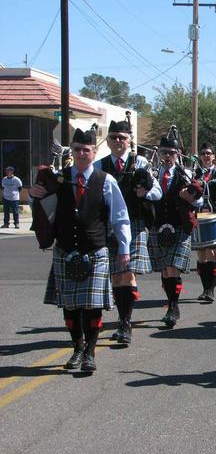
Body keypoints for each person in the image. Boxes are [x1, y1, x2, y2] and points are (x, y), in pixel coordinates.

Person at [31, 128, 131, 372]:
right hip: (65, 249)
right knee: (71, 305)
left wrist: (124, 248)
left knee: (92, 305)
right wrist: (35, 196)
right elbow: (45, 209)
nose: (82, 154)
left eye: (87, 150)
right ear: (72, 151)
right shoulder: (59, 179)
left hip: (95, 250)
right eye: (77, 149)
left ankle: (90, 352)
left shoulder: (105, 180)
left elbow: (120, 217)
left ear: (95, 152)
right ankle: (77, 348)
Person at [94, 119, 161, 344]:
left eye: (122, 137)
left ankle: (125, 322)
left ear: (129, 140)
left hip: (135, 222)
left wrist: (145, 193)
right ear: (108, 140)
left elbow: (158, 191)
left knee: (128, 272)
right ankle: (123, 320)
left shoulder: (140, 162)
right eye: (113, 137)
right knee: (116, 275)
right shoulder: (100, 166)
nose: (118, 141)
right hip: (110, 226)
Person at [148, 136, 203, 328]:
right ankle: (171, 302)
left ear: (177, 153)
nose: (168, 156)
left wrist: (190, 198)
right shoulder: (152, 174)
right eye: (164, 152)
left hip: (180, 225)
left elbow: (201, 202)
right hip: (158, 225)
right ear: (159, 153)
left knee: (172, 268)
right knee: (165, 269)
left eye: (171, 152)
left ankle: (173, 306)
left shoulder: (186, 174)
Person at [193, 142, 216, 302]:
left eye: (209, 153)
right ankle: (204, 289)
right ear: (200, 157)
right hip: (199, 216)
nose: (206, 156)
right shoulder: (195, 174)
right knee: (201, 255)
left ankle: (211, 290)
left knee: (212, 254)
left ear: (214, 156)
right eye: (203, 153)